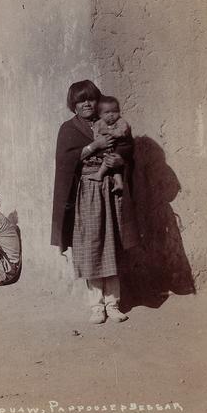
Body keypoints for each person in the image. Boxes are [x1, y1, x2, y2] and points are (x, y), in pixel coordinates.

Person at [51, 80, 138, 324]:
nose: (86, 103)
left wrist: (119, 159)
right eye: (81, 100)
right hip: (86, 192)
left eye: (90, 98)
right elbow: (65, 161)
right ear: (74, 105)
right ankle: (96, 305)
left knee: (112, 245)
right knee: (91, 247)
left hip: (111, 191)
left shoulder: (111, 122)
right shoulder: (69, 129)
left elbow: (128, 149)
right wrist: (94, 146)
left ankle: (113, 303)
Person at [88, 95, 131, 194]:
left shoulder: (121, 122)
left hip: (120, 146)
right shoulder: (99, 123)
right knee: (111, 163)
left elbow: (123, 132)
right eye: (107, 112)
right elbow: (96, 133)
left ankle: (99, 174)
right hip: (109, 147)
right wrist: (98, 139)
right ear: (100, 115)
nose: (111, 115)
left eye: (115, 111)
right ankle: (119, 183)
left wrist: (110, 132)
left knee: (112, 160)